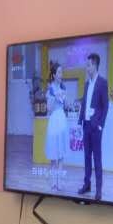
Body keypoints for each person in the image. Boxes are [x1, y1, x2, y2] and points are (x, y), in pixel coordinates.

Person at [77, 52, 110, 200]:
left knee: (97, 158)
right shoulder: (86, 84)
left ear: (95, 65)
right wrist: (80, 121)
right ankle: (87, 184)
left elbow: (105, 106)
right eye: (86, 65)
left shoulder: (102, 83)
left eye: (89, 65)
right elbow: (84, 103)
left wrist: (100, 125)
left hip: (96, 127)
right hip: (86, 126)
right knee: (86, 157)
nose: (87, 68)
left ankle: (98, 189)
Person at [44, 62, 69, 190]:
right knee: (54, 152)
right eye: (59, 72)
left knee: (61, 153)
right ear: (54, 75)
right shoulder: (50, 90)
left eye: (61, 72)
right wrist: (54, 96)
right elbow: (49, 109)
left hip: (62, 120)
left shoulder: (63, 88)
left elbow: (66, 106)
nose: (61, 74)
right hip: (54, 120)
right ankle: (53, 182)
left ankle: (60, 182)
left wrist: (64, 97)